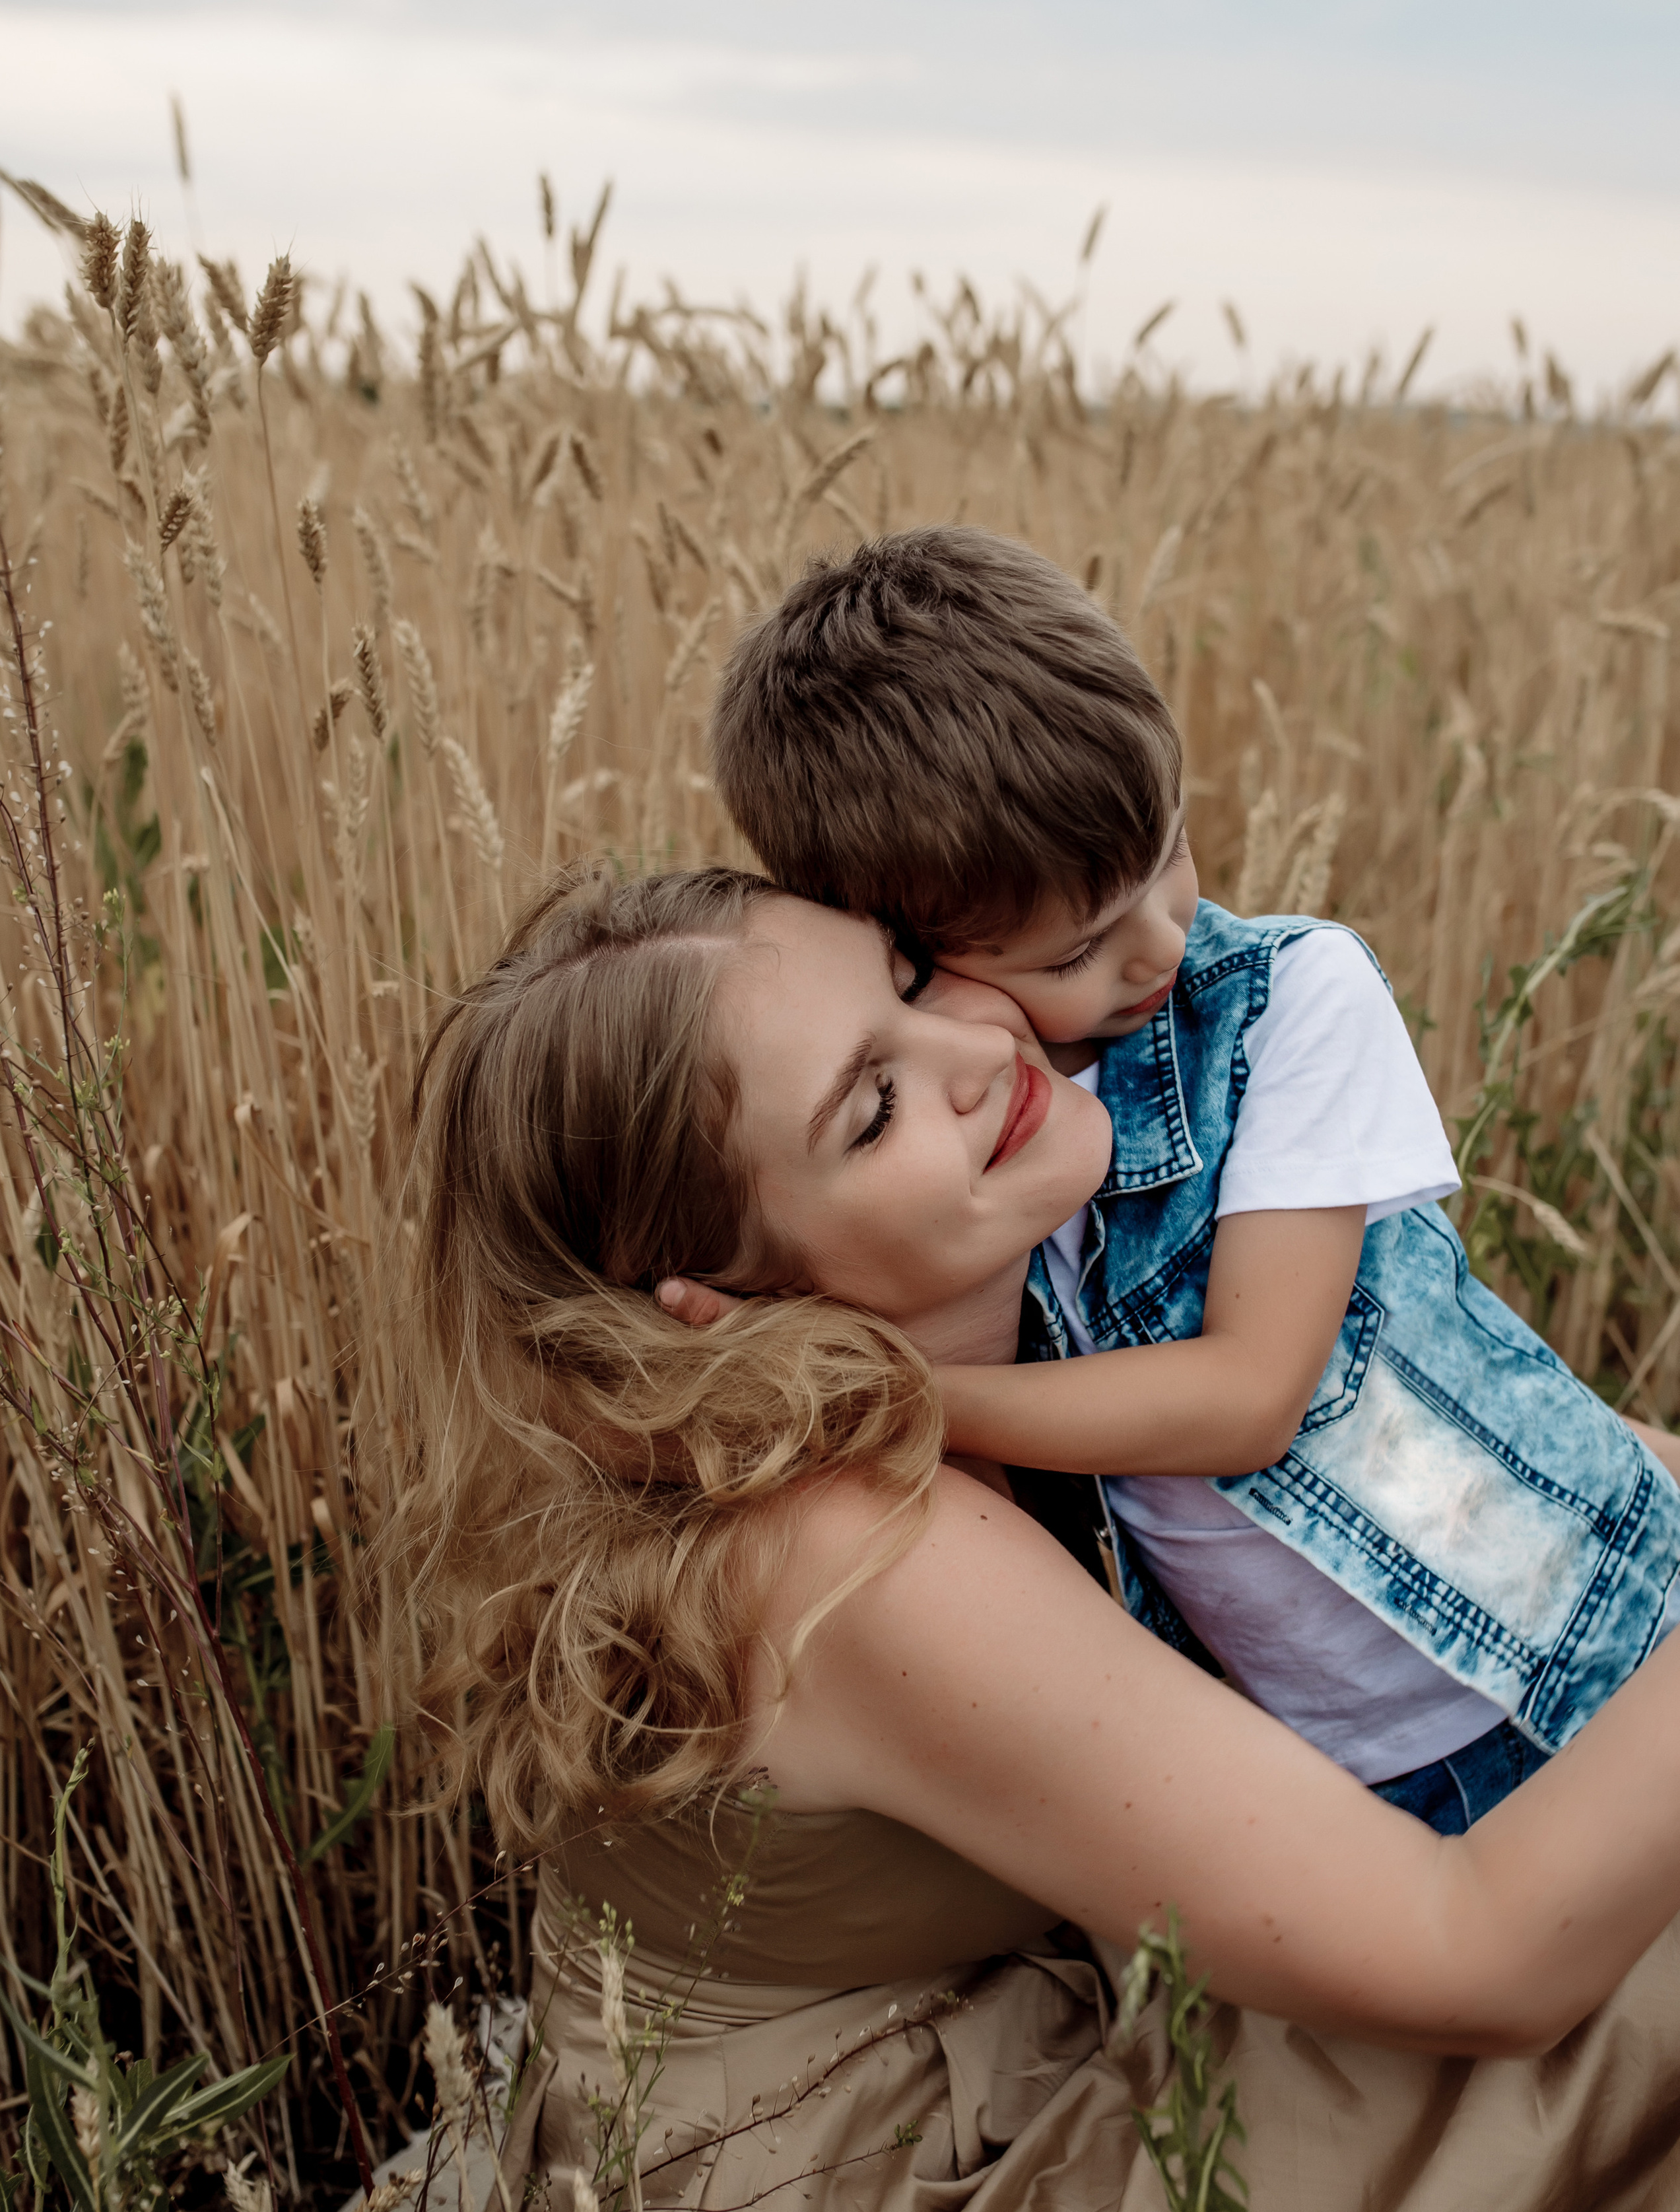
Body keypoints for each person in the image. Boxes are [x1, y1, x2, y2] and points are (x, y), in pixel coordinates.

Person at [392, 863, 1680, 2212]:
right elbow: (1476, 1954)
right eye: (867, 1111)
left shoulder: (1043, 1306)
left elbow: (1539, 1500)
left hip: (977, 2066)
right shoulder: (849, 1550)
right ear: (720, 1302)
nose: (973, 1060)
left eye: (915, 983)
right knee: (1629, 1955)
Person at [703, 526, 1680, 1832]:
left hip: (1587, 1648)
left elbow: (1245, 1399)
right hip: (1358, 1769)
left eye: (1168, 850)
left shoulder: (1286, 1005)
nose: (1161, 942)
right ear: (909, 951)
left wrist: (910, 1401)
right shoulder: (968, 1145)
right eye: (1077, 949)